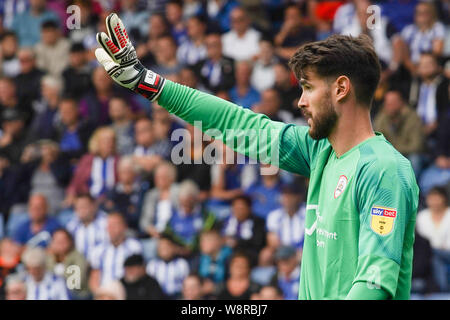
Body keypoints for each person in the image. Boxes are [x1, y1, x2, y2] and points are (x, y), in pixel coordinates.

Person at [95, 14, 419, 300]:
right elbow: (234, 122)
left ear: (341, 88)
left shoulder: (383, 169)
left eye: (308, 88)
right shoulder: (319, 150)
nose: (301, 101)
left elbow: (374, 284)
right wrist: (148, 82)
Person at [374, 90, 425, 177]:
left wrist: (394, 149)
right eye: (386, 103)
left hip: (407, 155)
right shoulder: (383, 116)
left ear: (400, 103)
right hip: (390, 154)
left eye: (391, 103)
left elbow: (417, 146)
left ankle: (411, 188)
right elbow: (376, 139)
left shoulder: (413, 118)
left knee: (415, 159)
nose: (387, 106)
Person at [88, 212, 143, 292]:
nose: (111, 228)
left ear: (124, 226)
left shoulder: (134, 247)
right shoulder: (98, 250)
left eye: (114, 225)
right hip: (105, 294)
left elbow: (138, 274)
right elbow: (94, 278)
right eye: (109, 225)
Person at [45, 228, 90, 299]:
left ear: (70, 241)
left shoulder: (78, 257)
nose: (60, 243)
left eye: (63, 240)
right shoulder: (48, 258)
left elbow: (74, 283)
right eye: (57, 240)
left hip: (76, 295)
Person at [65, 193, 109, 260]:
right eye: (78, 207)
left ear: (94, 206)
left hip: (101, 264)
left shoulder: (106, 223)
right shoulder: (72, 226)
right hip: (79, 265)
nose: (81, 211)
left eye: (84, 206)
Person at [146, 234, 190, 299]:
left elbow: (186, 284)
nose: (164, 249)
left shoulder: (182, 264)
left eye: (167, 246)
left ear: (173, 247)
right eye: (161, 247)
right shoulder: (152, 265)